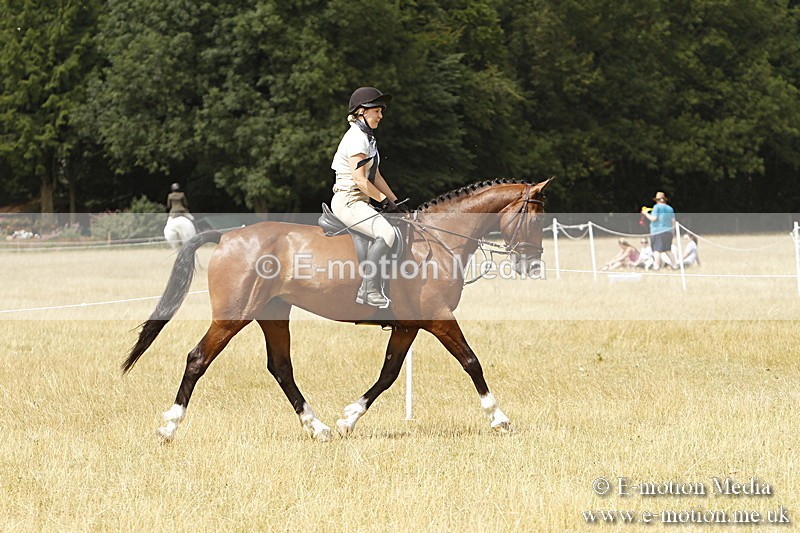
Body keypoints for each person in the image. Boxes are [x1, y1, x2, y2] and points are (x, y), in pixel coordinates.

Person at [330, 87, 409, 308]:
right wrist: (383, 201)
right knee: (387, 233)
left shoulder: (367, 138)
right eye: (377, 111)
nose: (381, 116)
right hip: (349, 201)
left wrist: (395, 202)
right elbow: (360, 180)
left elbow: (375, 176)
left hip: (360, 201)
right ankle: (369, 289)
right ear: (362, 112)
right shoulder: (357, 138)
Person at [642, 191, 676, 270]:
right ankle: (675, 265)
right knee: (668, 249)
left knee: (656, 250)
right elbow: (673, 221)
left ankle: (656, 266)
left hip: (657, 231)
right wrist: (673, 232)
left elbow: (654, 218)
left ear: (657, 200)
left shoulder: (656, 207)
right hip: (668, 231)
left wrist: (646, 214)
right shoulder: (670, 208)